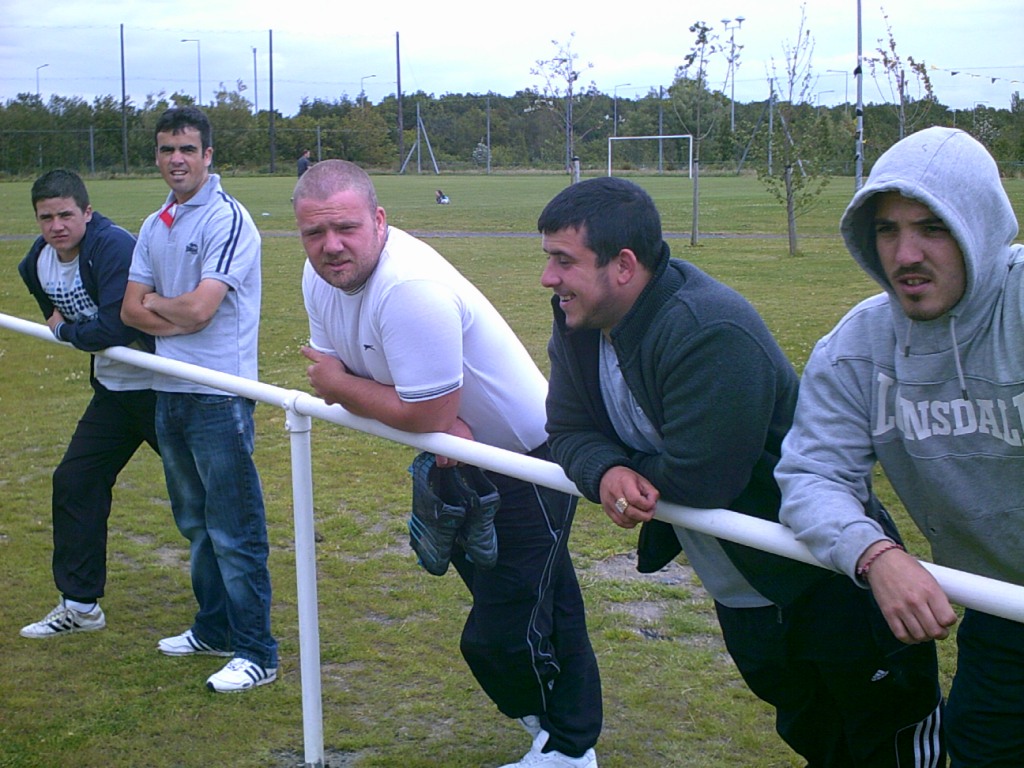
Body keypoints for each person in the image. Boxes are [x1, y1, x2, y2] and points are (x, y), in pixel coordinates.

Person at [539, 176, 945, 767]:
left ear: (623, 265)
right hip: (741, 590)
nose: (548, 278)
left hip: (828, 578)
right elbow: (567, 430)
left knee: (889, 743)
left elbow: (703, 477)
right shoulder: (578, 318)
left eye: (563, 260)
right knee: (815, 736)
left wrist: (620, 465)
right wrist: (604, 471)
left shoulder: (707, 327)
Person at [293, 160, 602, 768]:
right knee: (535, 604)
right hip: (458, 460)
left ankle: (568, 745)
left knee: (509, 627)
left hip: (524, 462)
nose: (331, 246)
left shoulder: (409, 287)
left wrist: (383, 401)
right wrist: (419, 416)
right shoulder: (320, 276)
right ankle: (563, 737)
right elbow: (348, 377)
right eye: (314, 233)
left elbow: (359, 388)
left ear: (379, 221)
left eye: (346, 228)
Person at [776, 126, 1024, 767]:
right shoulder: (857, 347)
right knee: (980, 751)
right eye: (887, 229)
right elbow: (811, 474)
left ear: (978, 227)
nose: (905, 253)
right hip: (1002, 612)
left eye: (933, 228)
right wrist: (875, 554)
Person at [121, 106, 277, 694]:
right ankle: (213, 629)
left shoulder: (228, 219)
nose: (177, 160)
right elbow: (129, 309)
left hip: (218, 395)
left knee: (234, 529)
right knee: (196, 523)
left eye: (187, 149)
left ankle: (257, 652)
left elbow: (201, 310)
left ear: (208, 155)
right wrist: (172, 309)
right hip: (168, 390)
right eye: (167, 150)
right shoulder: (154, 222)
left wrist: (162, 304)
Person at [17, 169, 159, 639]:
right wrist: (63, 325)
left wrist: (66, 332)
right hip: (114, 394)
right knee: (75, 481)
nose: (56, 226)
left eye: (66, 215)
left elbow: (118, 326)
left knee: (200, 496)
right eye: (46, 218)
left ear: (87, 212)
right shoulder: (36, 261)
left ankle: (227, 613)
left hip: (163, 389)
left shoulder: (112, 246)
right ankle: (80, 607)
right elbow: (49, 306)